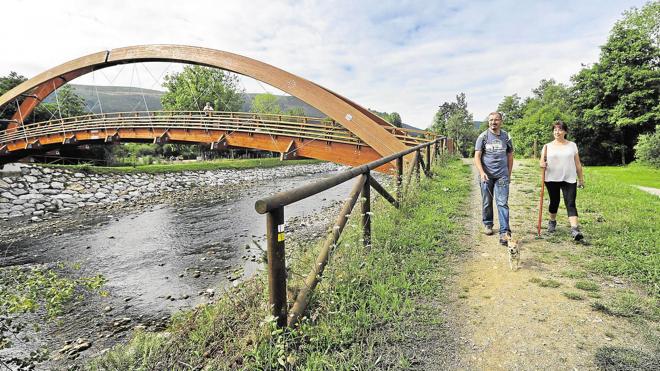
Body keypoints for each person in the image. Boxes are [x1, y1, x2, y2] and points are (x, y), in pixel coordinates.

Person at [539, 121, 585, 240]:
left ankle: (575, 229)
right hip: (551, 178)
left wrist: (581, 179)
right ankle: (552, 221)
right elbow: (541, 162)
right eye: (555, 129)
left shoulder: (572, 145)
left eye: (559, 129)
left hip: (569, 178)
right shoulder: (547, 146)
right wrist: (542, 164)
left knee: (570, 203)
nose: (557, 132)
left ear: (565, 131)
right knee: (554, 201)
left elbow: (578, 164)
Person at [474, 112, 514, 245]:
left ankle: (504, 232)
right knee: (487, 202)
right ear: (488, 122)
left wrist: (509, 173)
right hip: (486, 176)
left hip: (502, 175)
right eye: (491, 120)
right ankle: (488, 223)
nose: (493, 122)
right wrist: (481, 172)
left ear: (501, 121)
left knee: (502, 203)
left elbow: (510, 155)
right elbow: (477, 156)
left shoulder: (506, 136)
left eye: (496, 120)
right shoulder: (483, 137)